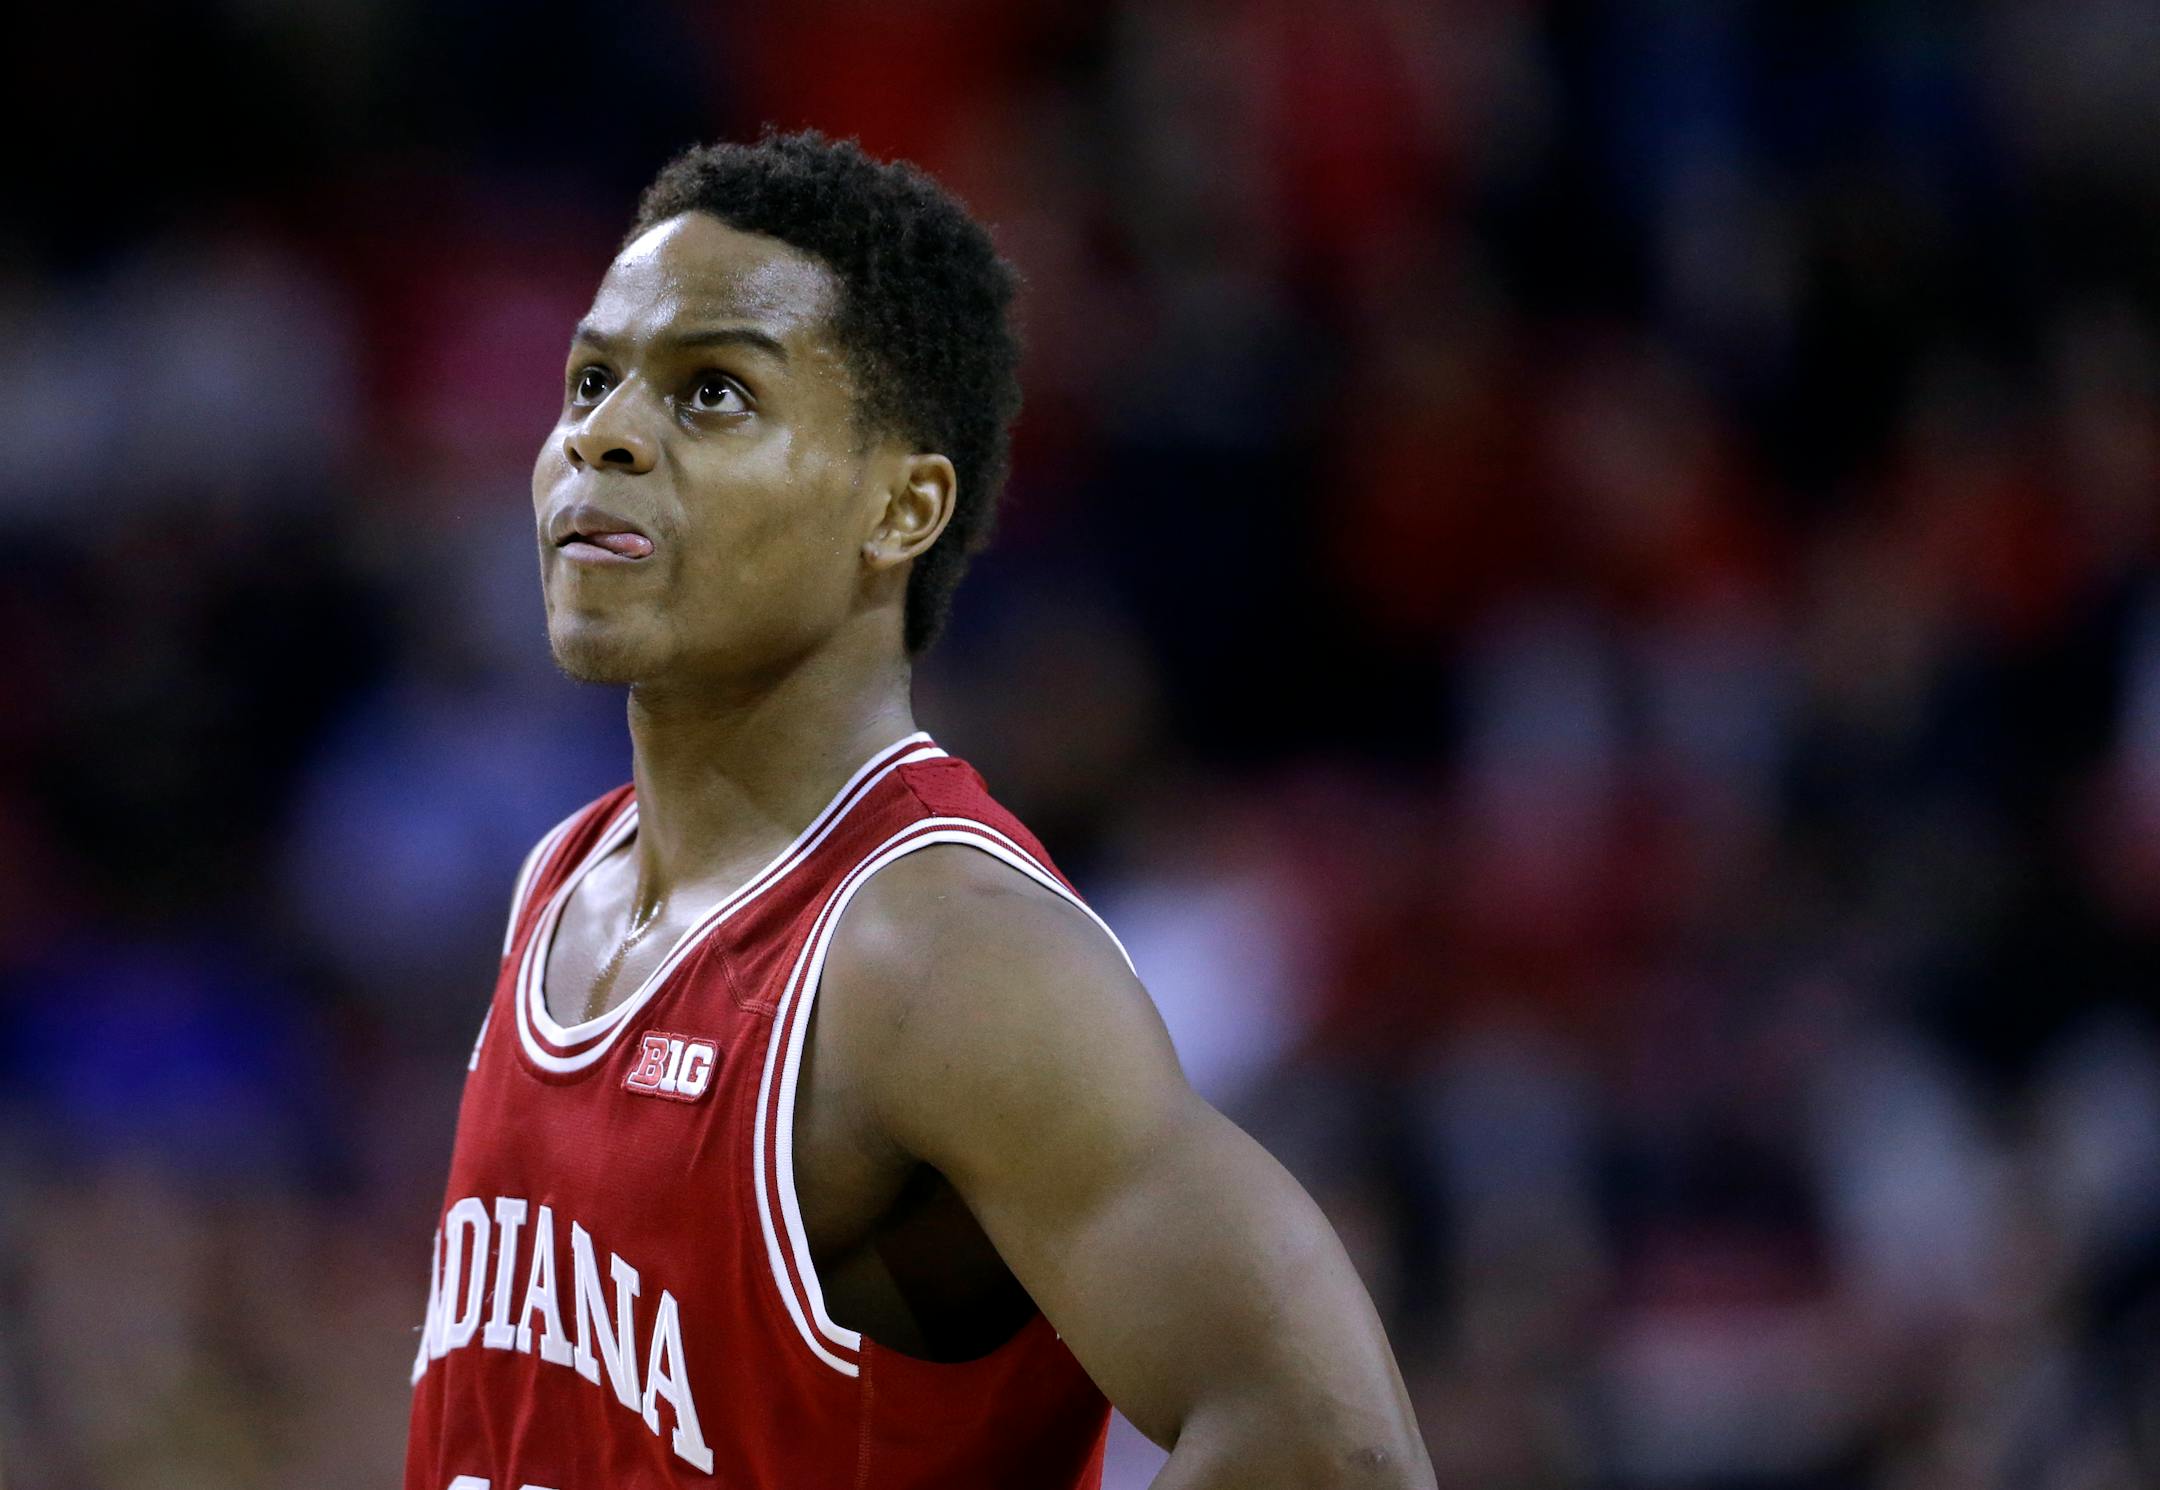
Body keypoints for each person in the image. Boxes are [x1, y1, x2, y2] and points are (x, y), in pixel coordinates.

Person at [404, 128, 1432, 1490]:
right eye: (592, 379)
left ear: (900, 507)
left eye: (712, 392)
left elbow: (1334, 1449)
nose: (604, 434)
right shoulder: (563, 874)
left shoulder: (938, 954)